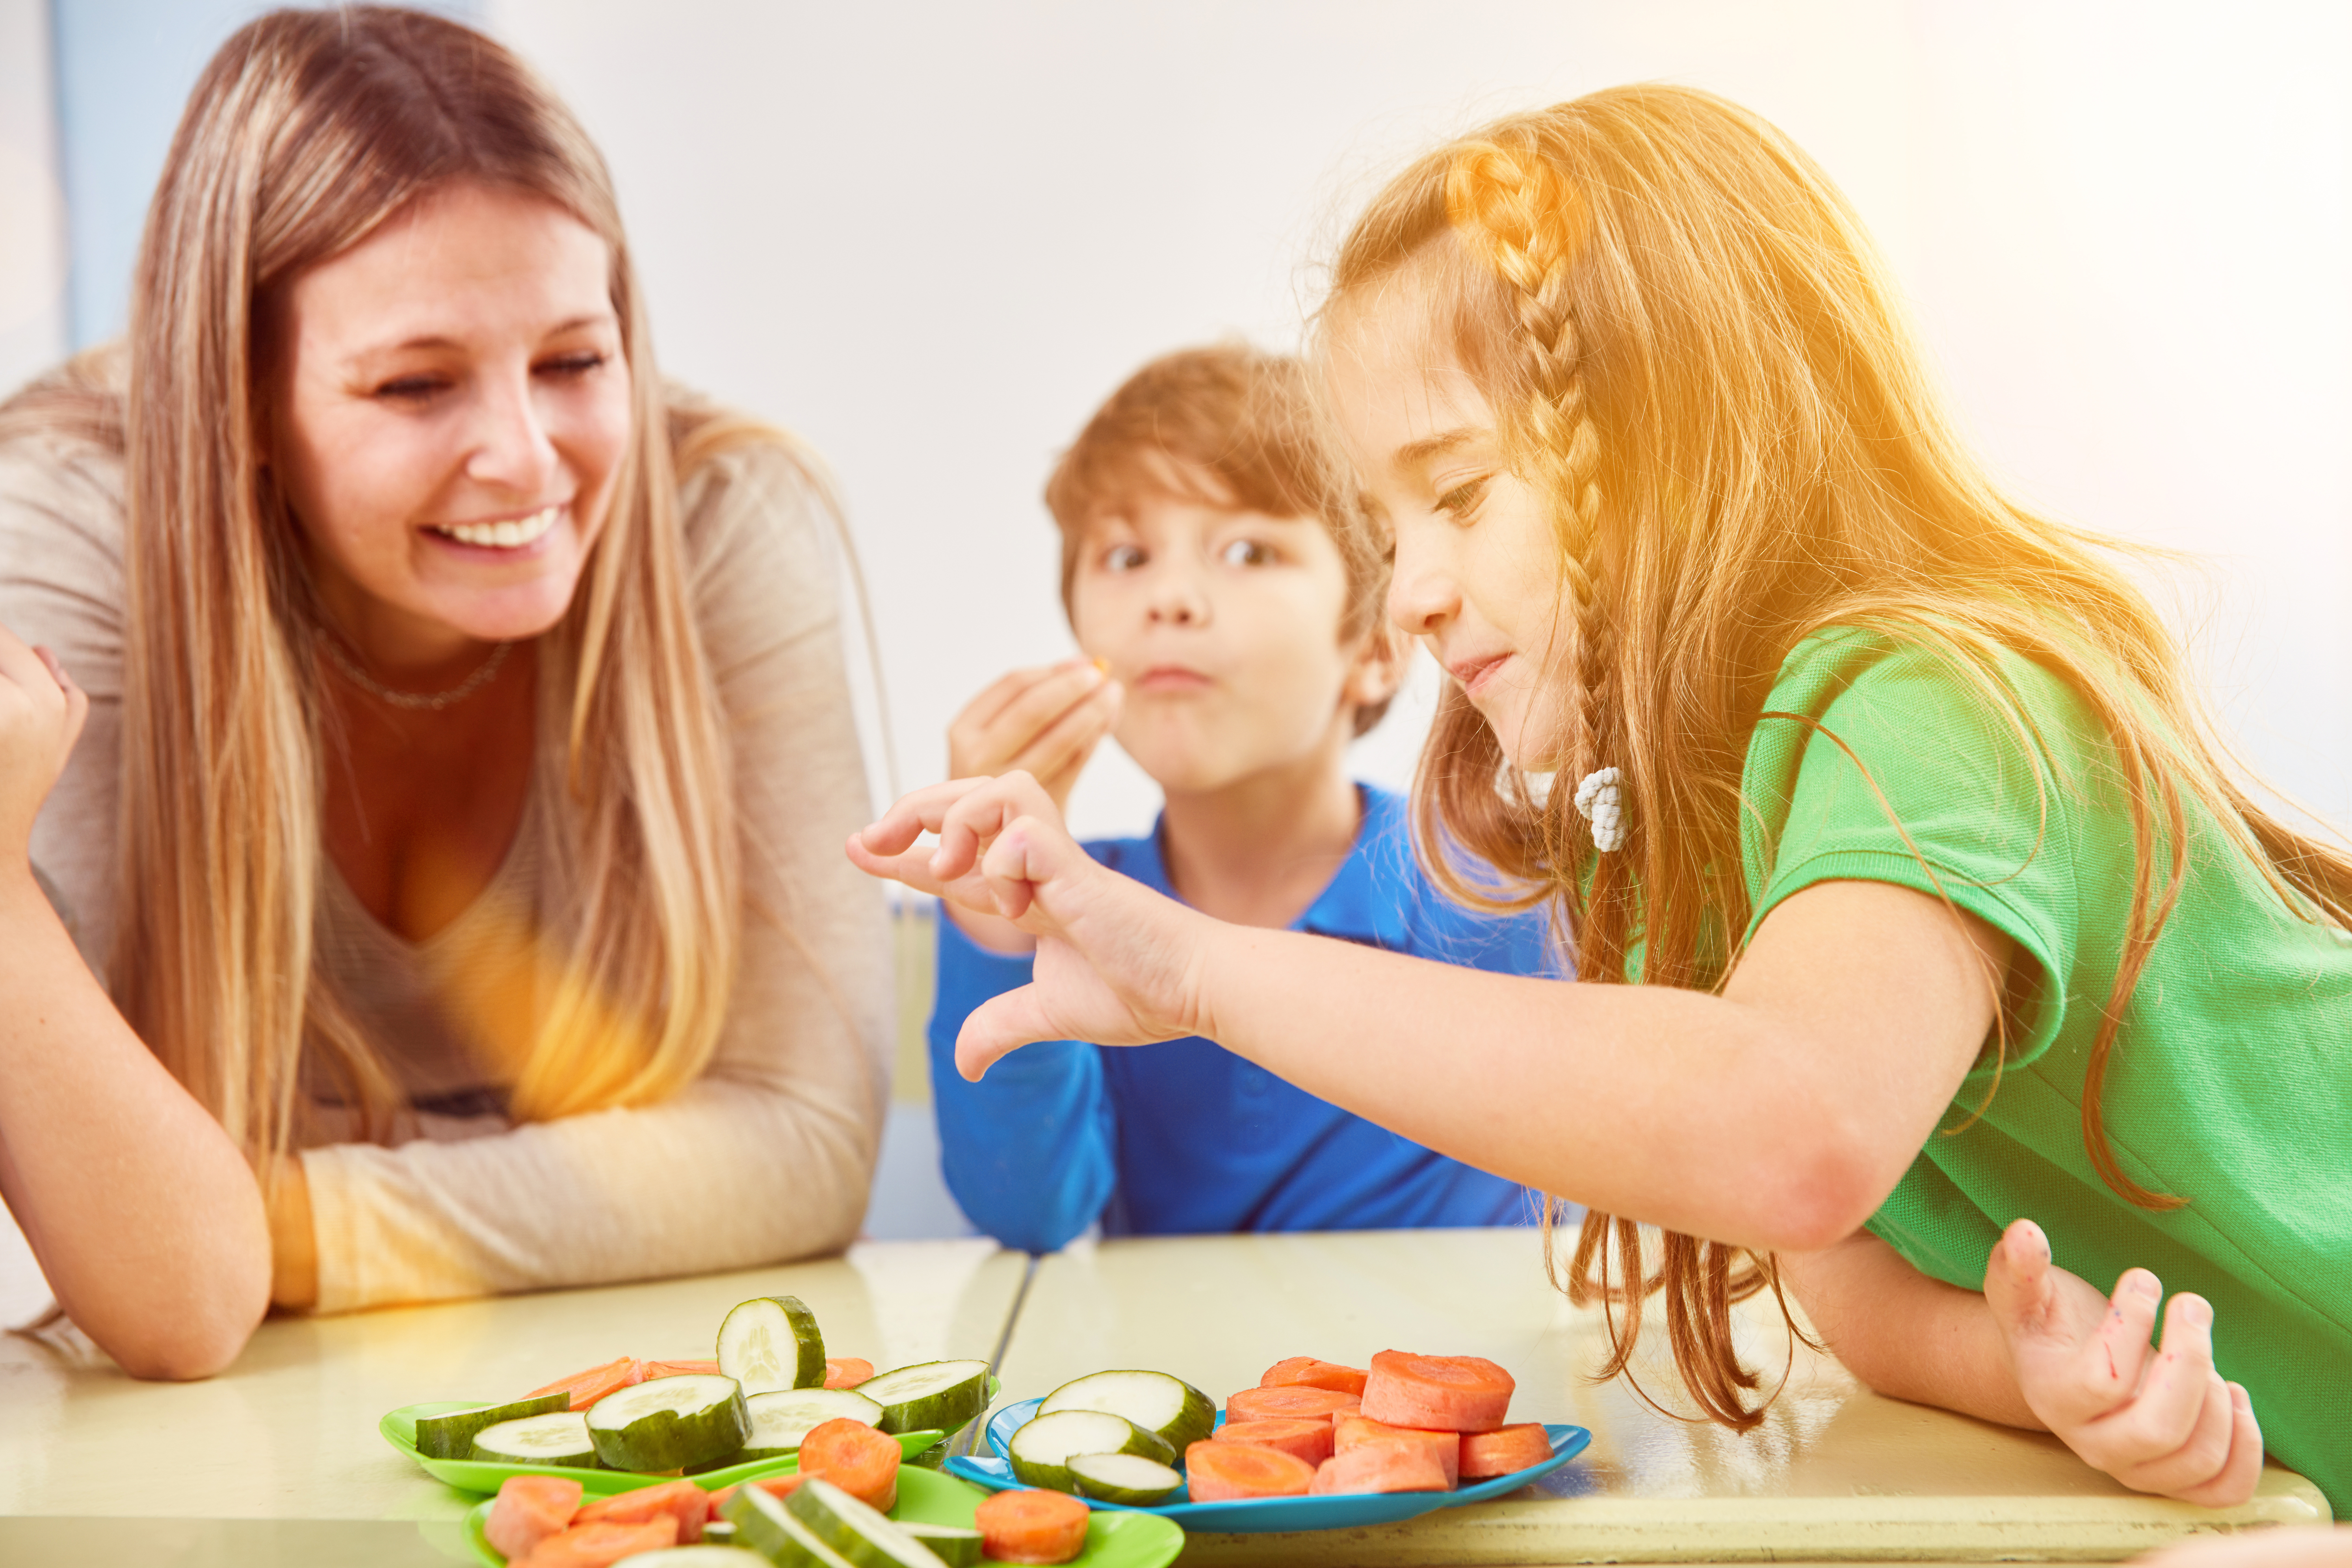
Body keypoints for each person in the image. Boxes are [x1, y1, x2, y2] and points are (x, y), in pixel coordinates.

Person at [850, 86, 2350, 1510]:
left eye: (1458, 494)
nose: (1418, 594)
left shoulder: (1930, 696)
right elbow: (1852, 1281)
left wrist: (1194, 970)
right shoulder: (1688, 837)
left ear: (1673, 448)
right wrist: (2036, 1367)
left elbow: (1792, 1135)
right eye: (1389, 528)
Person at [0, 6, 888, 1379]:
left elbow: (805, 1143)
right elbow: (163, 1282)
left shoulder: (720, 517)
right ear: (236, 395)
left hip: (621, 1387)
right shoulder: (72, 533)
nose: (526, 459)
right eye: (418, 384)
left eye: (576, 361)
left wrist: (278, 1209)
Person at [927, 345, 1559, 1252]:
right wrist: (996, 913)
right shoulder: (1066, 910)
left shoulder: (1507, 895)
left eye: (1247, 550)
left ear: (1378, 646)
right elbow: (1030, 1213)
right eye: (1126, 554)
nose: (1171, 598)